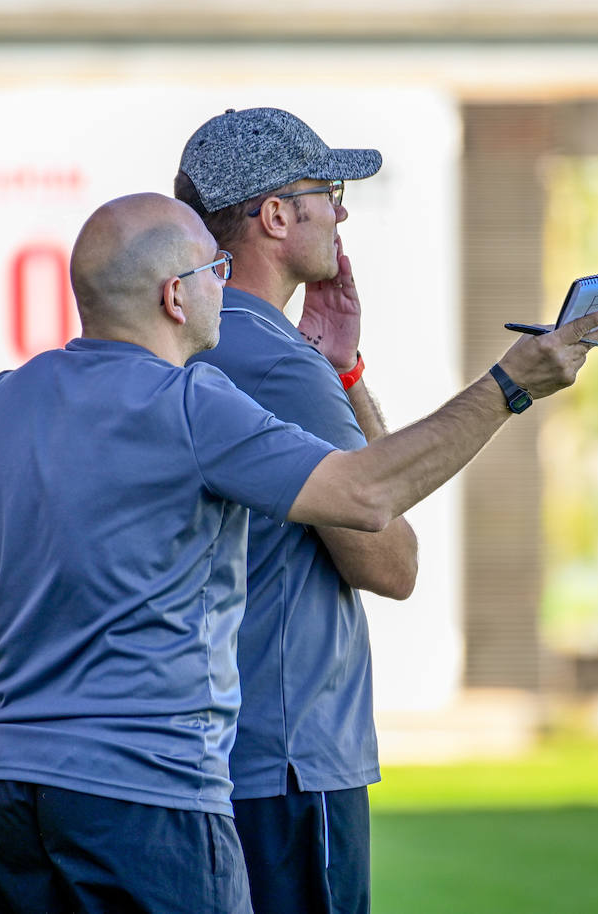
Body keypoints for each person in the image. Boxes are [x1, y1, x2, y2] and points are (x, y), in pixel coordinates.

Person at [0, 191, 598, 914]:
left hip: (15, 796)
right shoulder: (189, 405)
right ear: (175, 298)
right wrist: (511, 386)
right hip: (155, 799)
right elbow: (366, 497)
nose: (228, 287)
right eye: (215, 272)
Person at [172, 106, 408, 913]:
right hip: (291, 763)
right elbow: (390, 559)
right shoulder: (275, 359)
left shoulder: (182, 340)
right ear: (275, 216)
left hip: (199, 761)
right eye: (327, 191)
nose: (341, 212)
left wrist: (336, 364)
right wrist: (335, 377)